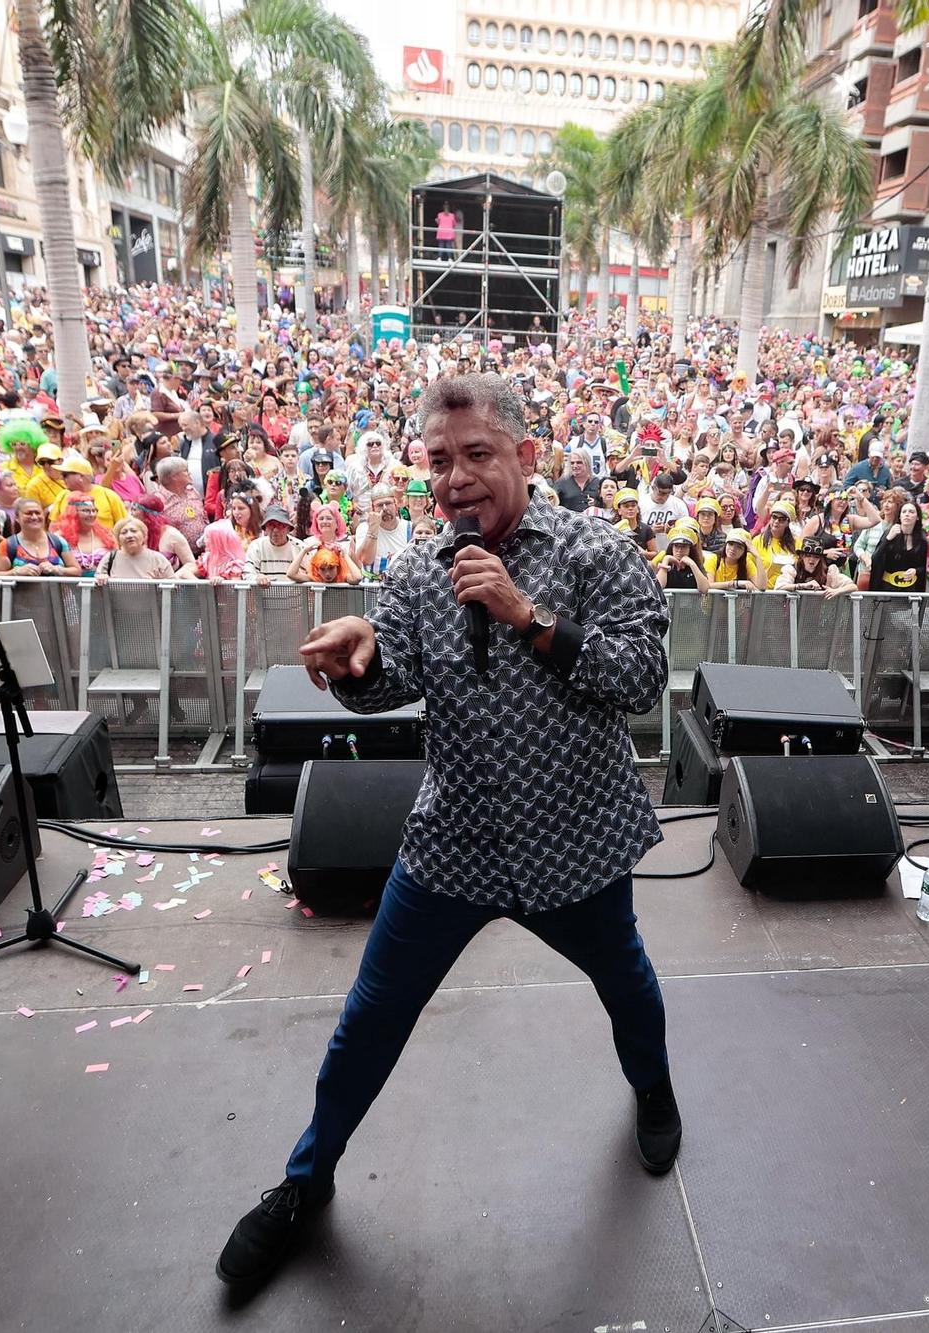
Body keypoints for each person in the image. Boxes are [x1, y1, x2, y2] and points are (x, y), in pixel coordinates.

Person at [218, 373, 678, 1287]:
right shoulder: (423, 568)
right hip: (455, 840)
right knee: (370, 1019)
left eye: (477, 455)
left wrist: (531, 618)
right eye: (439, 461)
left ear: (527, 457)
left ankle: (655, 1091)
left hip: (573, 838)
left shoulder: (595, 551)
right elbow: (392, 682)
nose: (456, 477)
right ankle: (306, 1181)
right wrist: (360, 658)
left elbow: (642, 678)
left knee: (625, 982)